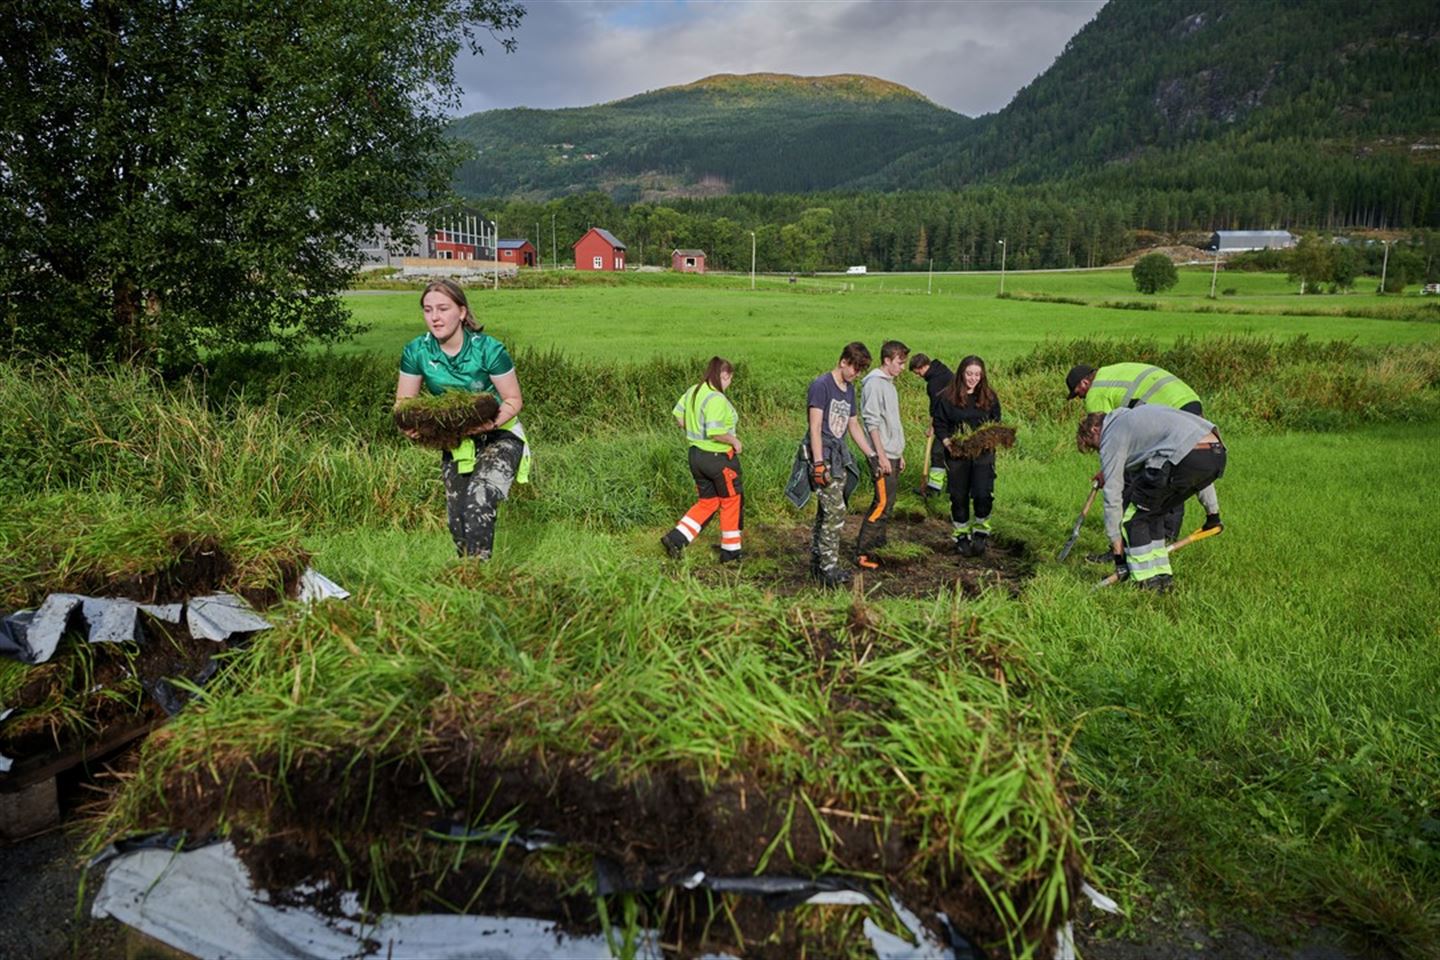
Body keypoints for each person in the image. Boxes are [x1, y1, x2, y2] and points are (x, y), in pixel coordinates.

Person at [395, 279, 528, 560]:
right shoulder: (416, 351)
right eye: (428, 309)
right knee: (458, 520)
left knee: (479, 499)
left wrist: (487, 425)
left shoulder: (489, 349)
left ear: (462, 312)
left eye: (443, 308)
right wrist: (414, 428)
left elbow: (514, 400)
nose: (435, 317)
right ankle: (466, 578)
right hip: (455, 439)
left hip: (499, 434)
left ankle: (478, 580)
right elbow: (404, 404)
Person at [1076, 406, 1225, 594]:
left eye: (1095, 446)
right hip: (1215, 454)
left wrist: (1117, 552)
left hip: (1183, 457)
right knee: (1152, 514)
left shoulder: (1112, 433)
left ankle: (1146, 584)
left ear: (1094, 430)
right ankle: (1162, 578)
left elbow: (1113, 495)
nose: (1100, 451)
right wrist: (1213, 513)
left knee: (1133, 520)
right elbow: (1194, 465)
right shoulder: (1137, 421)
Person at [1066, 361, 1209, 544]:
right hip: (1188, 401)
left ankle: (1124, 545)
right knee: (1173, 473)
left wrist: (1108, 471)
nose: (1080, 398)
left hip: (1169, 413)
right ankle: (1165, 538)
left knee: (1134, 480)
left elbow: (1106, 436)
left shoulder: (1096, 393)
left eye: (1078, 393)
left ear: (1085, 383)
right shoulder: (1111, 372)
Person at [807, 342, 882, 588]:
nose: (857, 374)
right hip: (823, 454)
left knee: (827, 511)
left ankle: (818, 562)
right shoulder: (821, 386)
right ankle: (828, 567)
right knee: (836, 510)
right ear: (843, 362)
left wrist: (871, 455)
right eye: (855, 368)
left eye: (861, 370)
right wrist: (818, 464)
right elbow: (815, 428)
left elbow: (853, 425)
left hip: (839, 456)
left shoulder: (849, 389)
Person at [661, 357, 743, 562]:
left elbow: (679, 419)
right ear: (724, 375)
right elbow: (716, 432)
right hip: (718, 457)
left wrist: (695, 429)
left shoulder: (693, 391)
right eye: (730, 379)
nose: (729, 384)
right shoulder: (716, 398)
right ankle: (731, 552)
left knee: (708, 502)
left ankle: (676, 539)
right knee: (731, 500)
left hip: (696, 456)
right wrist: (734, 441)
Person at [933, 355, 1001, 557]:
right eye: (969, 374)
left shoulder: (989, 397)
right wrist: (947, 443)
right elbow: (940, 424)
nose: (973, 378)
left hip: (983, 454)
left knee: (982, 493)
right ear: (962, 373)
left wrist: (989, 439)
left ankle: (981, 531)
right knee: (959, 496)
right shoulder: (947, 397)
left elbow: (996, 422)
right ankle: (961, 535)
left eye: (977, 374)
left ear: (983, 376)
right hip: (958, 455)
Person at [856, 341, 908, 569]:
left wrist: (899, 453)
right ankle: (863, 553)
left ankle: (879, 545)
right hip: (882, 454)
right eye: (900, 362)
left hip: (892, 452)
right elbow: (872, 423)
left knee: (889, 504)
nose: (903, 367)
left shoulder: (890, 385)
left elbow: (892, 423)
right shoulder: (874, 385)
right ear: (887, 360)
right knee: (881, 503)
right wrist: (882, 456)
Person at [908, 353, 953, 496]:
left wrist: (932, 428)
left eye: (918, 372)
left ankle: (934, 489)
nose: (918, 375)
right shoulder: (943, 370)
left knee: (937, 452)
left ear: (922, 367)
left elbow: (935, 409)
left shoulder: (934, 384)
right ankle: (951, 489)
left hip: (948, 422)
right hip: (957, 419)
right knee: (952, 454)